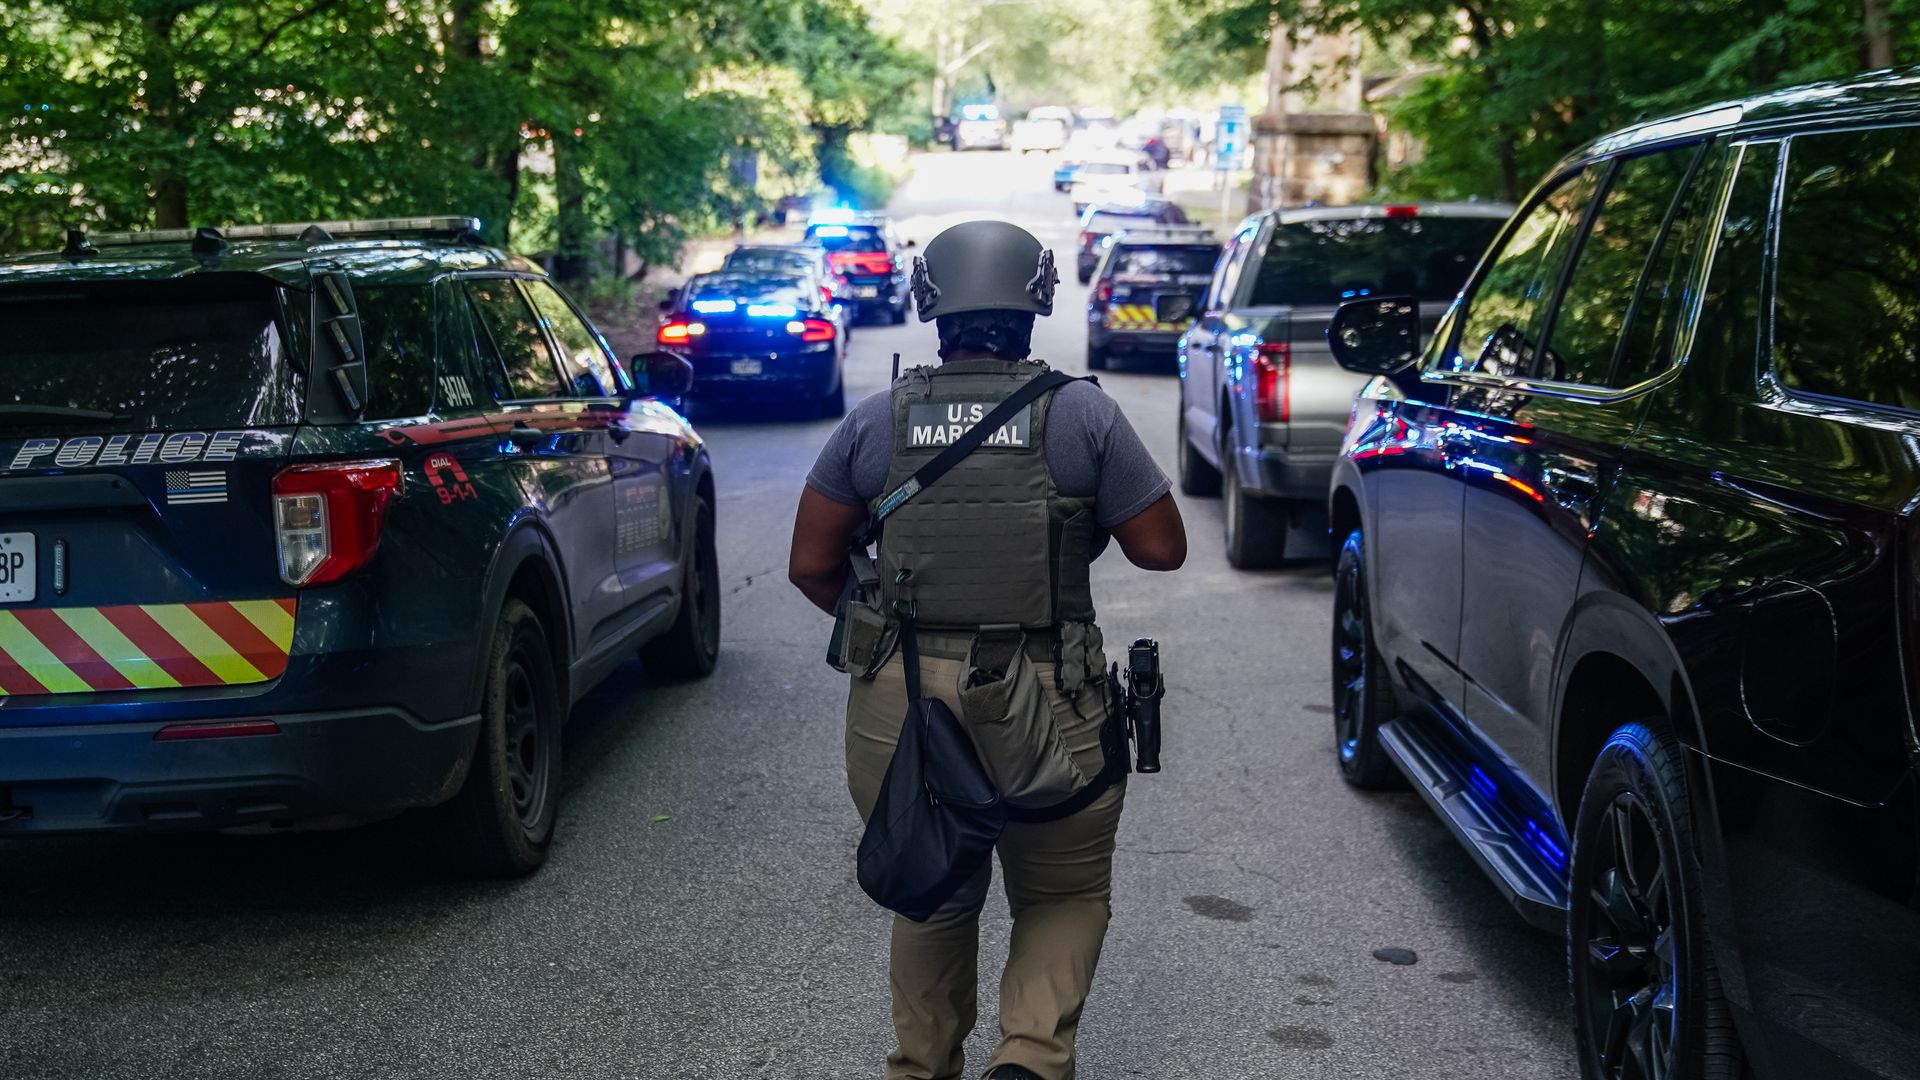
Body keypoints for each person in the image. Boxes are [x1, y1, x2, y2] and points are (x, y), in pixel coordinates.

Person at [788, 219, 1186, 1080]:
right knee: (1063, 891)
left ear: (930, 306)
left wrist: (889, 622)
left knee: (933, 888)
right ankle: (1031, 1060)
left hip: (903, 701)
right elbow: (1163, 547)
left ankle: (922, 1067)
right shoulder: (1081, 413)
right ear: (1037, 303)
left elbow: (811, 565)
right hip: (1051, 700)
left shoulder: (878, 419)